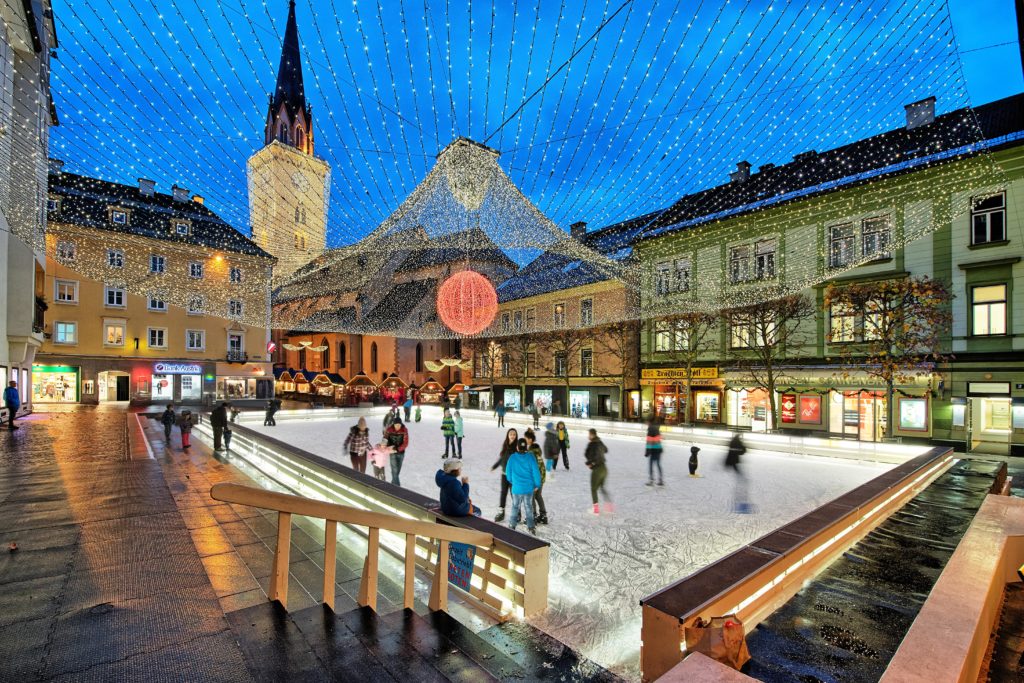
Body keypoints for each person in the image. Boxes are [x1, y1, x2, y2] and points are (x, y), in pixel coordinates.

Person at [505, 438, 541, 535]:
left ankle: (512, 525)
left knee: (515, 506)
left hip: (516, 489)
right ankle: (531, 527)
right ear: (526, 447)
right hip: (528, 489)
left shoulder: (512, 457)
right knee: (529, 507)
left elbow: (508, 473)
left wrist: (513, 481)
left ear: (517, 447)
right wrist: (537, 484)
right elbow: (536, 472)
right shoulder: (531, 457)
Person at [491, 428, 518, 522]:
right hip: (504, 474)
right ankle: (501, 512)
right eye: (511, 434)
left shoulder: (517, 447)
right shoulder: (505, 445)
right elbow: (502, 458)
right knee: (503, 493)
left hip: (513, 475)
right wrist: (495, 466)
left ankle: (517, 512)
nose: (512, 436)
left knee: (513, 494)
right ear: (508, 435)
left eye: (514, 434)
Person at [585, 428, 612, 515]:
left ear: (592, 435)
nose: (588, 436)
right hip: (604, 469)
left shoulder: (593, 444)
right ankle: (609, 507)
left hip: (597, 469)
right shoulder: (599, 442)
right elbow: (606, 450)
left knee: (593, 489)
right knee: (602, 487)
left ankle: (596, 510)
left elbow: (595, 456)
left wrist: (591, 463)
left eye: (589, 434)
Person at [524, 429, 548, 525]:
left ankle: (532, 516)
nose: (525, 440)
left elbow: (532, 468)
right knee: (538, 496)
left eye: (526, 438)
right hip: (541, 478)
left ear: (530, 440)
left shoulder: (531, 452)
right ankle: (543, 516)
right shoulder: (536, 450)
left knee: (531, 497)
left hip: (535, 479)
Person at [726, 433, 752, 513]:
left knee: (742, 480)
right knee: (742, 482)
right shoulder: (736, 443)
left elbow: (739, 451)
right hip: (733, 463)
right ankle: (739, 502)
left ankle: (739, 501)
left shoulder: (733, 442)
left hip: (733, 463)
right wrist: (743, 449)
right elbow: (742, 450)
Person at [384, 417, 409, 486]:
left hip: (401, 453)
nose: (398, 426)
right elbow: (385, 439)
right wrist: (384, 447)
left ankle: (393, 483)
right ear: (394, 424)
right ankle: (397, 486)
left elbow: (405, 443)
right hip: (392, 452)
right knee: (394, 469)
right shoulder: (389, 430)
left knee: (397, 469)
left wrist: (398, 449)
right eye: (396, 424)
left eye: (399, 424)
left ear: (401, 424)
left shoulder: (404, 430)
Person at [645, 417, 664, 487]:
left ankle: (651, 480)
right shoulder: (656, 428)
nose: (646, 423)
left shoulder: (650, 429)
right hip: (658, 449)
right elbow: (658, 439)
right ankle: (660, 479)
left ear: (649, 422)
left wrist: (647, 451)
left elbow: (649, 441)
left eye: (646, 422)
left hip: (653, 449)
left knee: (651, 464)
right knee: (658, 464)